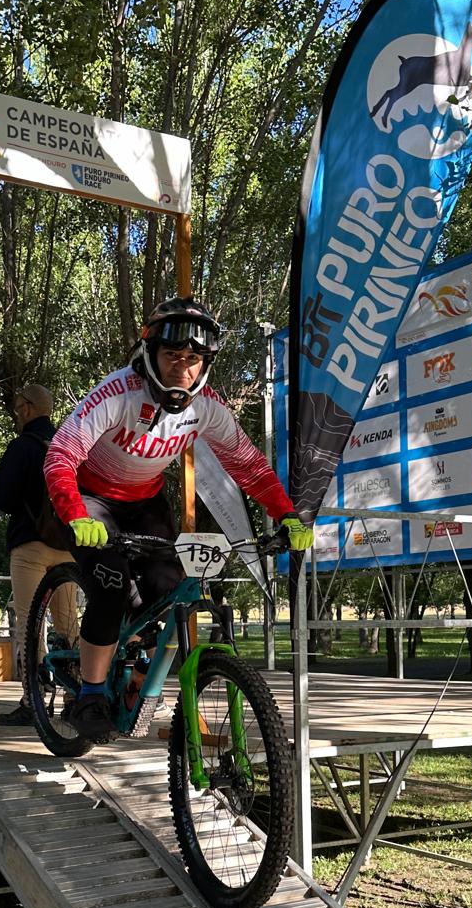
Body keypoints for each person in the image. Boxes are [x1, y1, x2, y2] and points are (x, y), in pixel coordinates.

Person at [43, 294, 313, 741]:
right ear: (150, 353)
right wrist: (75, 514)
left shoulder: (206, 405)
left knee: (169, 593)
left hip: (145, 502)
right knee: (110, 588)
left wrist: (286, 516)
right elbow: (61, 455)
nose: (181, 368)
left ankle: (135, 673)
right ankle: (90, 693)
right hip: (90, 499)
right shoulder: (117, 393)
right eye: (172, 355)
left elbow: (247, 465)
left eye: (193, 359)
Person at [0, 382, 79, 727]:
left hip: (30, 546)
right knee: (69, 624)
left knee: (30, 624)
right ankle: (76, 699)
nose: (16, 414)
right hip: (69, 548)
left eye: (17, 407)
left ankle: (33, 700)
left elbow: (5, 500)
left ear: (27, 408)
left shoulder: (22, 447)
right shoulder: (68, 446)